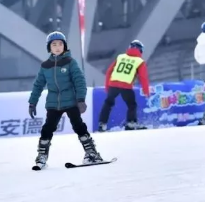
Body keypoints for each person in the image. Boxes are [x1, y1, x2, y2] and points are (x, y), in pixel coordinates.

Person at [29, 31, 103, 167]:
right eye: (54, 44)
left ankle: (92, 153)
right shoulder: (45, 66)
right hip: (53, 103)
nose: (57, 47)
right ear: (49, 48)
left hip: (71, 101)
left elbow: (79, 80)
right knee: (47, 129)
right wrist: (32, 102)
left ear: (64, 46)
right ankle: (42, 156)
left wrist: (80, 99)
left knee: (79, 126)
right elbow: (38, 85)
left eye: (60, 44)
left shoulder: (70, 62)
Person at [98, 40, 150, 131]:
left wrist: (107, 86)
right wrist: (146, 91)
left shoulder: (120, 57)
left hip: (113, 84)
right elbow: (143, 77)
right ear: (140, 50)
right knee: (132, 105)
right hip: (126, 86)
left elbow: (109, 72)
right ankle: (131, 123)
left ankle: (102, 124)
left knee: (108, 103)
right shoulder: (139, 61)